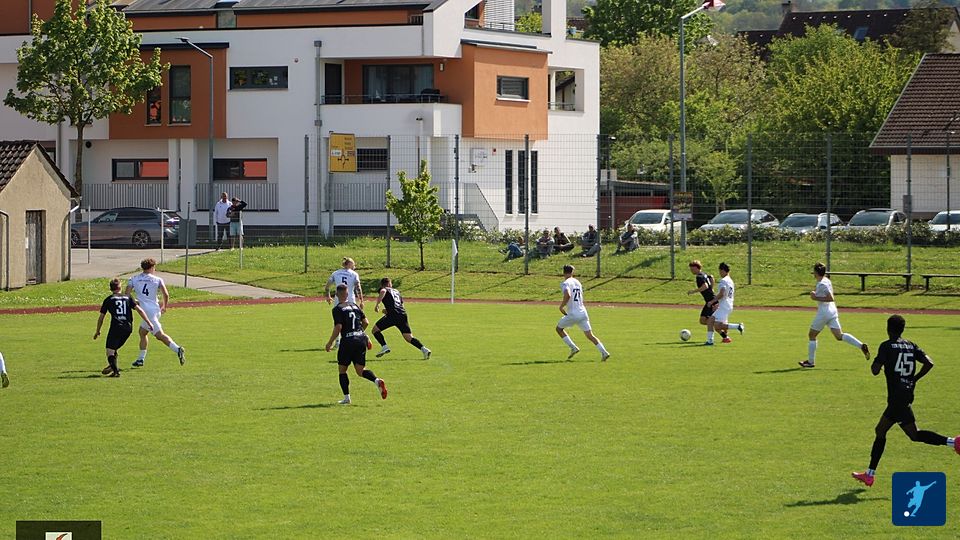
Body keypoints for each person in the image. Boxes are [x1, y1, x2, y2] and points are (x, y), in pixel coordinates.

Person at [851, 315, 959, 487]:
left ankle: (954, 442)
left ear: (888, 328)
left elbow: (875, 370)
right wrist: (914, 379)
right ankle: (869, 474)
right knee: (895, 432)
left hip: (896, 398)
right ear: (902, 329)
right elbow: (929, 363)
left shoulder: (886, 346)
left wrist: (876, 360)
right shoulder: (911, 345)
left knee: (897, 432)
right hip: (906, 394)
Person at [325, 284, 388, 405]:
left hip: (348, 341)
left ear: (337, 295)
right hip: (360, 339)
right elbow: (366, 322)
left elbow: (338, 327)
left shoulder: (337, 309)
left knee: (342, 370)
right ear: (347, 294)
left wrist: (330, 342)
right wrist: (361, 333)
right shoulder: (355, 306)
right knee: (360, 370)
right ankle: (377, 381)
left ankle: (346, 398)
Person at [799, 262, 869, 368]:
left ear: (816, 272)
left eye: (814, 271)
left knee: (812, 335)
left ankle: (810, 362)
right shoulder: (826, 280)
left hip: (824, 313)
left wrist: (815, 297)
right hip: (832, 311)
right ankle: (861, 345)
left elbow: (830, 298)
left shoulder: (822, 284)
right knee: (839, 336)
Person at [126, 258, 186, 367]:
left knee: (159, 335)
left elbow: (127, 294)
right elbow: (166, 294)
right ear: (152, 267)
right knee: (142, 332)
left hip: (146, 311)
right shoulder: (158, 279)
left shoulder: (133, 279)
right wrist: (164, 306)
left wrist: (135, 302)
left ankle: (178, 349)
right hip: (154, 309)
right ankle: (140, 359)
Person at [94, 277, 153, 377]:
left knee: (110, 351)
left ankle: (116, 371)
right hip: (128, 328)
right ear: (120, 287)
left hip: (116, 327)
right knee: (114, 349)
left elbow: (101, 318)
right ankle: (112, 367)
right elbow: (139, 310)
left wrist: (98, 331)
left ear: (111, 288)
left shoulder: (108, 300)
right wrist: (148, 322)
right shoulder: (128, 297)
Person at [556, 264, 610, 361]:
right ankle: (604, 352)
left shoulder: (565, 283)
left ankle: (573, 348)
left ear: (563, 272)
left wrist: (561, 306)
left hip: (573, 313)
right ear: (572, 272)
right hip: (582, 312)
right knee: (590, 335)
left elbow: (567, 294)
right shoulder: (578, 282)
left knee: (559, 329)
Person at [371, 277, 431, 360]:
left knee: (375, 330)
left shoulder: (385, 289)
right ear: (390, 283)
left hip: (393, 315)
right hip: (402, 314)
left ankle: (384, 347)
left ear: (383, 284)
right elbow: (400, 305)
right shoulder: (396, 291)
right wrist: (388, 310)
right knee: (408, 337)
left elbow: (383, 291)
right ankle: (425, 350)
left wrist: (377, 304)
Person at [325, 257, 364, 349]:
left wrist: (328, 296)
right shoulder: (354, 274)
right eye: (353, 264)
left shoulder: (336, 273)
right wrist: (361, 300)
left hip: (339, 300)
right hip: (350, 300)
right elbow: (358, 287)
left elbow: (327, 286)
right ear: (349, 264)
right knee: (354, 319)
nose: (354, 266)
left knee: (338, 321)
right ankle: (356, 336)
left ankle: (337, 341)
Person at [685, 260, 727, 342]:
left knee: (704, 320)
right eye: (691, 269)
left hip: (710, 301)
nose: (691, 271)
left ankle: (723, 329)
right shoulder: (703, 274)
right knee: (705, 320)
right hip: (711, 300)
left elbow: (705, 286)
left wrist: (693, 291)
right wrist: (712, 289)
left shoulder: (699, 277)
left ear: (697, 268)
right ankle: (724, 334)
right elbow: (711, 277)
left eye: (693, 269)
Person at [705, 262, 744, 345]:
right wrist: (718, 304)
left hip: (724, 306)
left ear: (722, 270)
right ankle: (725, 338)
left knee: (714, 323)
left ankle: (737, 326)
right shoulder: (730, 281)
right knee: (714, 323)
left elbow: (722, 293)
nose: (719, 273)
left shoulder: (723, 281)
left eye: (719, 271)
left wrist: (712, 301)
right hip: (728, 305)